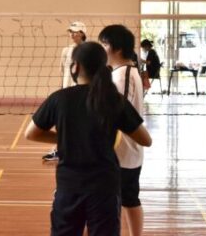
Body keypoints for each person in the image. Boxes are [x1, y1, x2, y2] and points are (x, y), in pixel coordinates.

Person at [25, 42, 152, 236]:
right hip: (105, 187)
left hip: (69, 187)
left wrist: (67, 136)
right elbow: (146, 140)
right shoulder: (113, 99)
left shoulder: (59, 98)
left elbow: (31, 133)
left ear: (75, 66)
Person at [99, 25, 146, 236]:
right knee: (128, 199)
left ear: (116, 48)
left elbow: (118, 113)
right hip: (125, 152)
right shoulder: (122, 72)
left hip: (121, 152)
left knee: (119, 201)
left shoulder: (124, 75)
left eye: (104, 44)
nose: (102, 48)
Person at [42, 21, 87, 162]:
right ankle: (59, 150)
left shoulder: (88, 50)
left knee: (82, 122)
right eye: (70, 31)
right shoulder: (66, 51)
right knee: (63, 121)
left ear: (82, 33)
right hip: (67, 92)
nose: (72, 34)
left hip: (83, 92)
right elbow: (63, 71)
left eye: (75, 31)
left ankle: (83, 149)